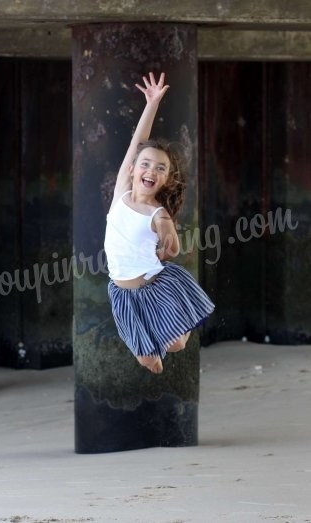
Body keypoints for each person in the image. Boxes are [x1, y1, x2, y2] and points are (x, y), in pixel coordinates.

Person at [104, 71, 214, 374]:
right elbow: (137, 141)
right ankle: (155, 348)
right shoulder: (121, 194)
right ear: (134, 169)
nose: (151, 169)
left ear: (166, 180)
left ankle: (179, 323)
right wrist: (152, 103)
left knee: (177, 344)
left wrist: (167, 245)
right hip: (121, 293)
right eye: (146, 164)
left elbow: (171, 247)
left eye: (161, 168)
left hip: (154, 286)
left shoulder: (158, 213)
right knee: (150, 364)